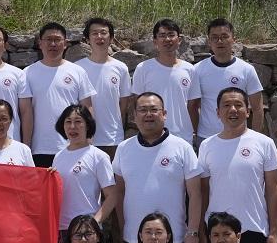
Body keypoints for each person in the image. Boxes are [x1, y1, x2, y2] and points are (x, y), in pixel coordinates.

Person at [196, 88, 277, 243]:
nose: (233, 109)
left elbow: (273, 189)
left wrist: (274, 232)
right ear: (218, 112)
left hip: (254, 230)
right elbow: (203, 191)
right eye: (226, 105)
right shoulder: (207, 146)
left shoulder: (264, 143)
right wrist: (200, 230)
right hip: (217, 232)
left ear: (248, 111)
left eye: (238, 105)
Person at [112, 93, 203, 243]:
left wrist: (192, 233)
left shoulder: (182, 148)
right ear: (134, 116)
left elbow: (195, 194)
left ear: (164, 114)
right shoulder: (124, 148)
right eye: (142, 110)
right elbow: (119, 192)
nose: (148, 114)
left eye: (154, 109)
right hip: (134, 238)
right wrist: (123, 227)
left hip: (174, 238)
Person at [23, 22, 96, 168]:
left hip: (71, 145)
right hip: (39, 147)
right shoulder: (27, 73)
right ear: (40, 43)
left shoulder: (77, 71)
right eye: (48, 39)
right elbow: (25, 112)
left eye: (57, 40)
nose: (53, 44)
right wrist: (26, 146)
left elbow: (87, 108)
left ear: (65, 43)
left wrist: (88, 140)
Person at [187, 18, 264, 143]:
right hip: (207, 138)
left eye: (224, 36)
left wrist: (255, 139)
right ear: (209, 41)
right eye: (215, 37)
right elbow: (192, 106)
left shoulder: (246, 70)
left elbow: (257, 108)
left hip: (239, 138)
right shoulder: (198, 70)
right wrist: (195, 133)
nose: (220, 41)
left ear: (233, 39)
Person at [51, 104, 117, 234]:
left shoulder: (98, 156)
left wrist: (94, 222)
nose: (72, 127)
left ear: (88, 125)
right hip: (61, 227)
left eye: (78, 121)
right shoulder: (58, 156)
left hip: (86, 229)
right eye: (68, 122)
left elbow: (112, 196)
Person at [75, 17, 134, 158]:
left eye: (103, 33)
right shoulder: (77, 68)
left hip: (113, 137)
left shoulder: (120, 68)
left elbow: (124, 103)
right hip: (84, 137)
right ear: (87, 39)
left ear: (111, 38)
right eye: (94, 33)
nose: (99, 37)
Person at [130, 19, 194, 144]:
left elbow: (193, 106)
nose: (167, 39)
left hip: (183, 137)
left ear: (179, 40)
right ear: (155, 41)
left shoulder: (190, 69)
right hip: (152, 136)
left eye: (171, 35)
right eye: (162, 35)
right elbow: (137, 104)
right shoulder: (143, 68)